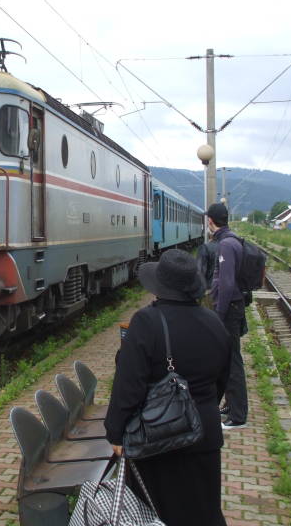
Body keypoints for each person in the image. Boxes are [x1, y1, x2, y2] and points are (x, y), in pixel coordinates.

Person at [105, 249, 231, 525]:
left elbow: (129, 385)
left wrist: (115, 432)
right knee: (203, 511)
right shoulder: (215, 323)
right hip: (204, 435)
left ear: (159, 287)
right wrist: (200, 408)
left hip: (157, 436)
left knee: (155, 512)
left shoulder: (146, 322)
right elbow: (222, 379)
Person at [207, 202, 249, 429]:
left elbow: (226, 282)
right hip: (233, 307)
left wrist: (219, 314)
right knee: (227, 361)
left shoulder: (226, 245)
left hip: (229, 309)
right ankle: (230, 404)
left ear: (211, 221)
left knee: (232, 362)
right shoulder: (232, 241)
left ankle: (238, 416)